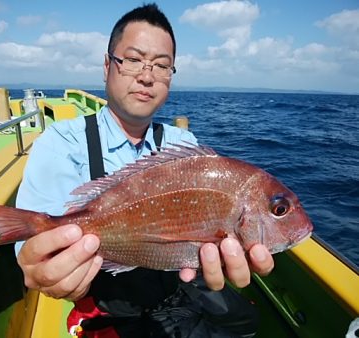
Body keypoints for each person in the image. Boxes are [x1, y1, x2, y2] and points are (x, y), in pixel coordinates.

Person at [15, 3, 274, 337]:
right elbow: (36, 252)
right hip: (109, 307)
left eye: (162, 66)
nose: (147, 76)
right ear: (107, 66)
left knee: (244, 321)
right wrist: (42, 266)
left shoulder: (184, 143)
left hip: (178, 293)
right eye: (133, 60)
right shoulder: (62, 143)